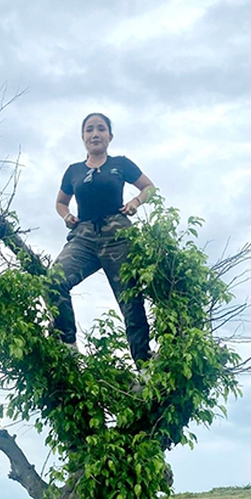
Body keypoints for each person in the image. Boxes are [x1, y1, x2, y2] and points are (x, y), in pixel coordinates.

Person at [51, 112, 155, 364]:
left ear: (110, 136)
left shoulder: (121, 164)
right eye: (89, 129)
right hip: (83, 236)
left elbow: (149, 187)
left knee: (131, 301)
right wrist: (66, 216)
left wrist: (135, 202)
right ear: (83, 137)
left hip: (118, 235)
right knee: (54, 279)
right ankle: (67, 346)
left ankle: (144, 365)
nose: (95, 134)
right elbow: (61, 202)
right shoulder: (73, 171)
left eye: (100, 129)